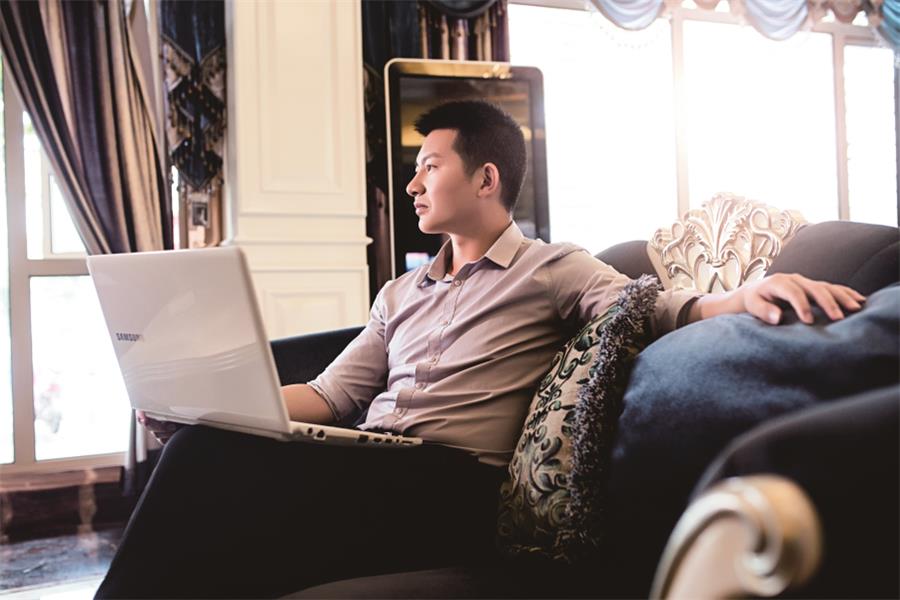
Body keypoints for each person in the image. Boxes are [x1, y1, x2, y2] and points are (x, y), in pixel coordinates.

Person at [97, 100, 864, 598]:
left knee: (208, 468)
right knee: (206, 450)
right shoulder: (399, 294)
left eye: (429, 167)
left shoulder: (550, 267)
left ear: (486, 178)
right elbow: (331, 397)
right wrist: (214, 408)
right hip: (371, 464)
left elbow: (650, 307)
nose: (413, 185)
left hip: (451, 485)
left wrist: (742, 296)